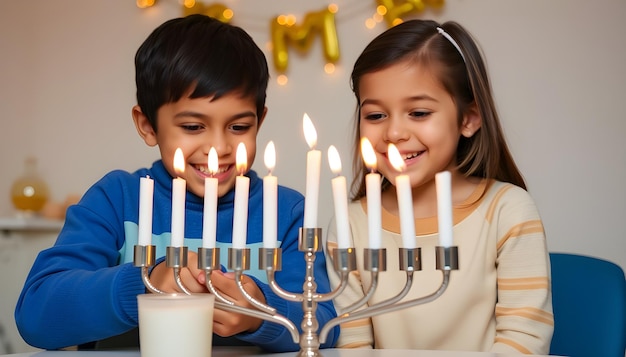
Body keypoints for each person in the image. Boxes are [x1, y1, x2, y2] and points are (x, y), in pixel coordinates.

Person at [15, 14, 339, 352]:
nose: (218, 148)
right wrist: (144, 285)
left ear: (260, 121)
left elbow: (326, 326)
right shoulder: (117, 200)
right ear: (148, 125)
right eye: (193, 127)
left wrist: (260, 313)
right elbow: (37, 315)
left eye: (239, 127)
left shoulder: (285, 213)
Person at [324, 19, 553, 354]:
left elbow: (524, 340)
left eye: (418, 112)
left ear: (469, 118)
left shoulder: (507, 211)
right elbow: (352, 343)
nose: (394, 133)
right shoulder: (350, 226)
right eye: (375, 116)